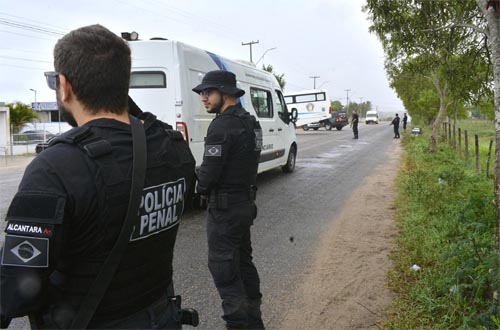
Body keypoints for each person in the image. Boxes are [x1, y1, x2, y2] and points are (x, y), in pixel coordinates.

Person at [0, 24, 196, 329]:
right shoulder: (170, 147)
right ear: (122, 83)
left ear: (64, 86)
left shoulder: (56, 168)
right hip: (161, 316)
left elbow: (15, 291)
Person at [192, 70, 264, 330]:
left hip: (224, 210)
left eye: (208, 92)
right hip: (245, 205)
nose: (203, 97)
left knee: (224, 269)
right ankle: (255, 322)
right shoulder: (251, 122)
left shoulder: (221, 125)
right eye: (202, 93)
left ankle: (239, 325)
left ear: (225, 93)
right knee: (244, 263)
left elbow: (210, 173)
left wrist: (200, 185)